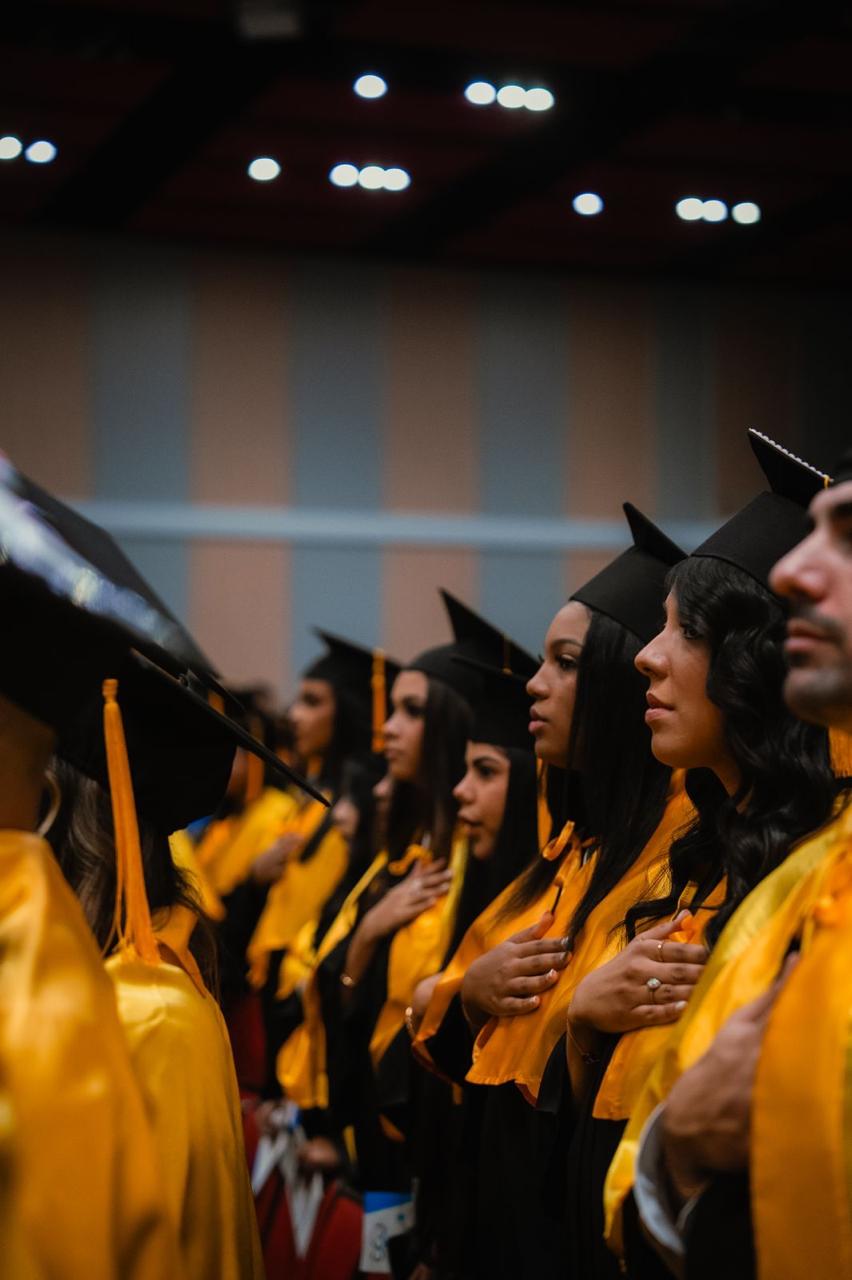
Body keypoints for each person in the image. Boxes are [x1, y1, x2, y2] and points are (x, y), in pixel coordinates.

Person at [560, 432, 838, 1278]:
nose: (646, 655)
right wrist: (579, 1024)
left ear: (752, 660)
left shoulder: (825, 876)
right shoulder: (687, 866)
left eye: (681, 630)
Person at [416, 504, 688, 1278]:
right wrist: (470, 994)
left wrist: (569, 1018)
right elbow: (452, 1029)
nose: (535, 686)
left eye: (567, 662)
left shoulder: (682, 860)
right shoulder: (570, 853)